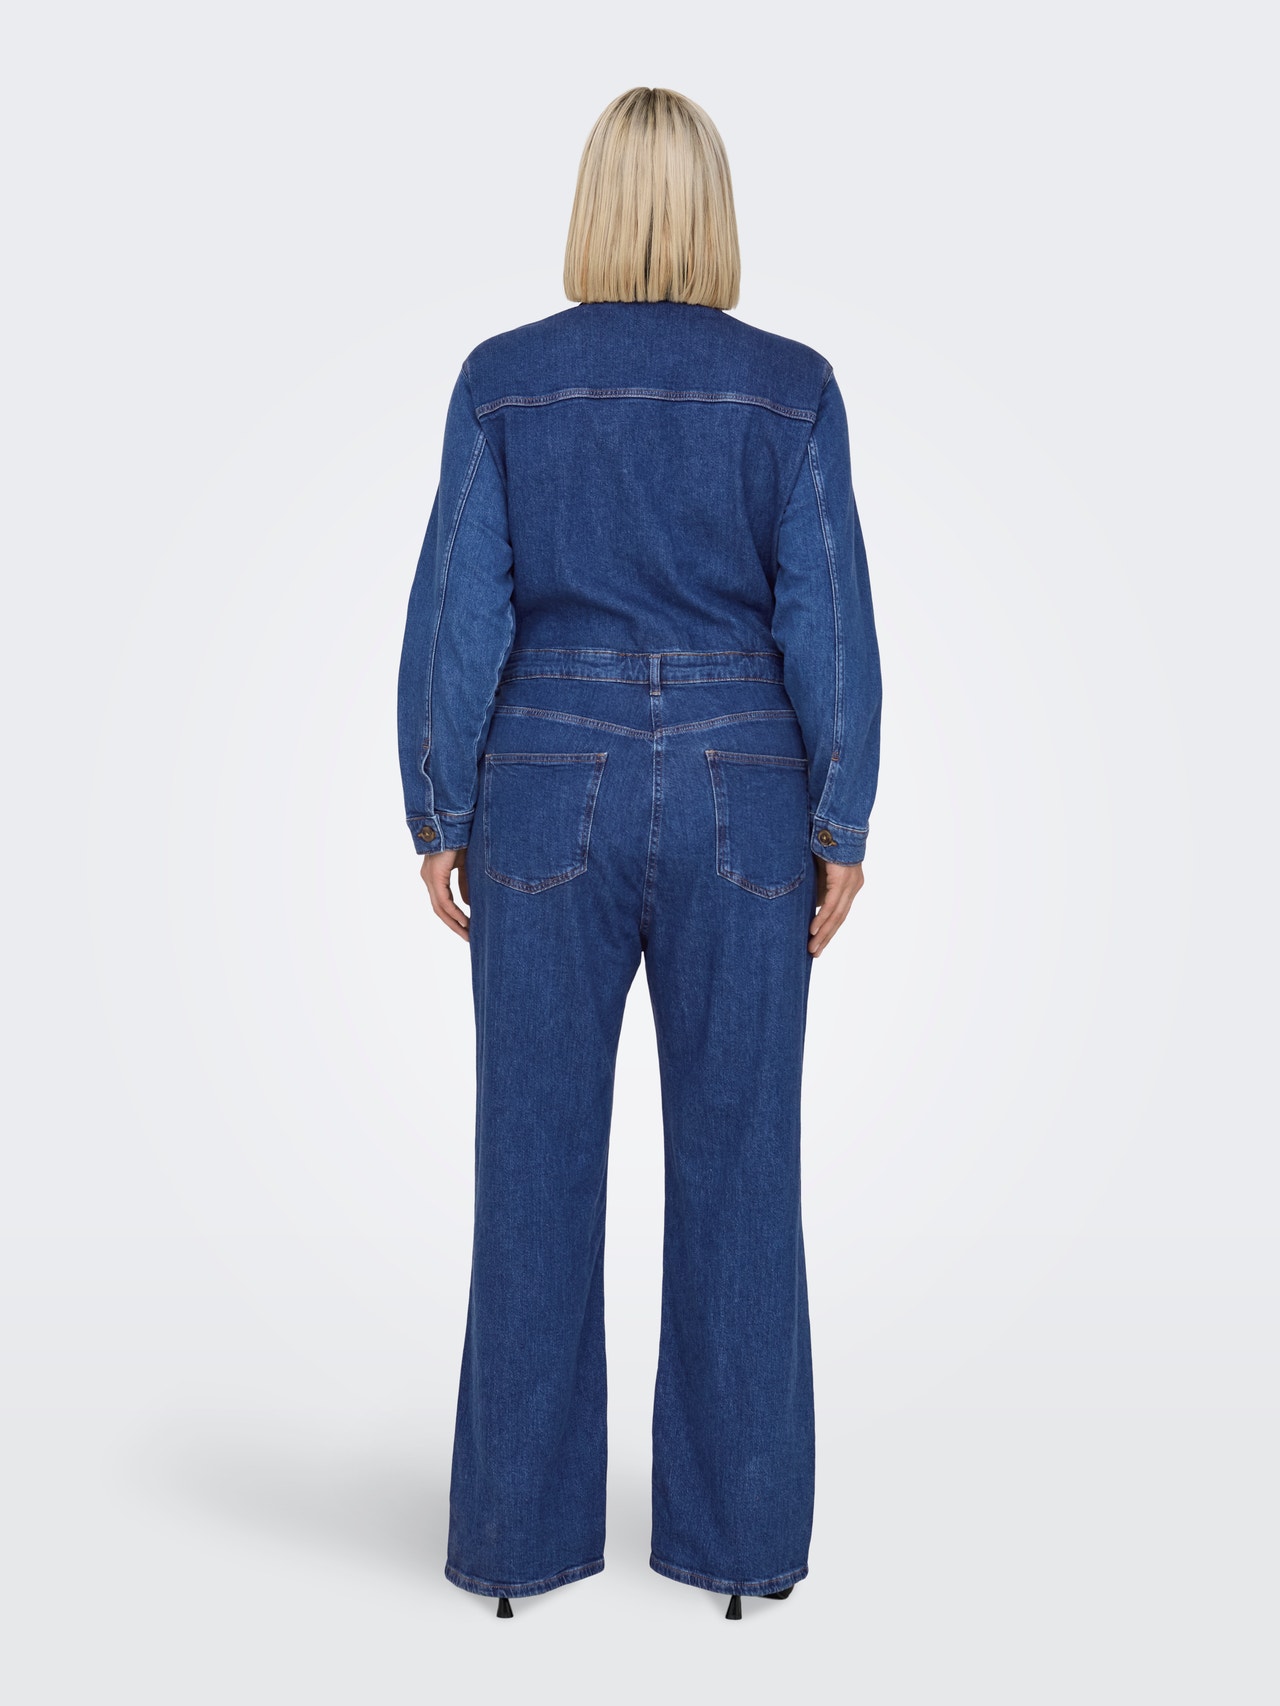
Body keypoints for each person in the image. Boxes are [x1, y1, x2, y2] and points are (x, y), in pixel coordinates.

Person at [396, 86, 882, 1621]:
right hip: (746, 782)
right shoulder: (793, 389)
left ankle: (517, 1547)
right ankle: (737, 1547)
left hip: (546, 782)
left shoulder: (505, 383)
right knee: (743, 1169)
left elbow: (457, 612)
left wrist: (439, 807)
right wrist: (841, 819)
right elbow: (828, 618)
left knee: (532, 1164)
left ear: (592, 207)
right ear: (716, 212)